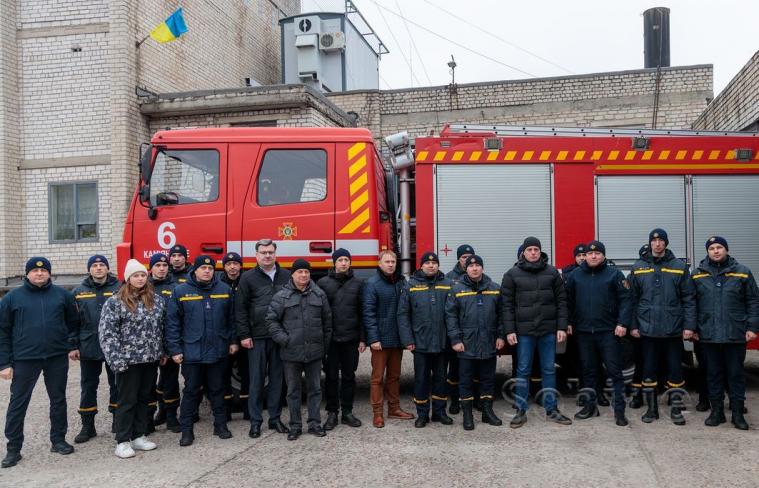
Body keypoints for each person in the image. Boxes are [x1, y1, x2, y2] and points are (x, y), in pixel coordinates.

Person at [0, 258, 79, 468]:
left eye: (43, 271)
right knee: (18, 403)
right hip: (24, 359)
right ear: (27, 274)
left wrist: (70, 345)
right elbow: (3, 331)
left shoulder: (62, 295)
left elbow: (73, 323)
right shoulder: (11, 298)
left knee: (58, 400)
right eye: (34, 270)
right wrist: (4, 363)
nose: (39, 274)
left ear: (49, 274)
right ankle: (13, 449)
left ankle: (59, 440)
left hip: (55, 357)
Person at [166, 255, 237, 446]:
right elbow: (172, 324)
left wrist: (232, 341)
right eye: (203, 268)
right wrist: (175, 349)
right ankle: (187, 431)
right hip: (192, 353)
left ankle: (220, 426)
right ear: (194, 270)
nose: (207, 271)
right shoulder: (180, 291)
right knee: (191, 392)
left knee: (218, 390)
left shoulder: (224, 290)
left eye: (211, 268)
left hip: (218, 351)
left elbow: (232, 319)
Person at [502, 237, 572, 428]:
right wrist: (509, 330)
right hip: (524, 332)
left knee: (549, 369)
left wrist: (561, 327)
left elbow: (562, 302)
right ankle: (520, 410)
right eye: (529, 249)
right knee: (523, 370)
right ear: (523, 252)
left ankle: (552, 409)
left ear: (540, 252)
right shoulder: (512, 274)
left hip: (548, 331)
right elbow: (506, 306)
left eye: (536, 249)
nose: (533, 252)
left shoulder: (552, 273)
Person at [99, 259, 165, 459]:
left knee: (144, 398)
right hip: (127, 361)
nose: (140, 278)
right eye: (136, 275)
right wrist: (116, 359)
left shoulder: (155, 299)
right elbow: (107, 333)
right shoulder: (115, 302)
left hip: (150, 359)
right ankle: (122, 440)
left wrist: (162, 351)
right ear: (128, 278)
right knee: (127, 401)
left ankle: (138, 435)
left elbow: (160, 328)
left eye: (143, 275)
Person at [629, 228, 695, 426]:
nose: (657, 244)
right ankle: (652, 409)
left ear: (666, 243)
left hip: (672, 329)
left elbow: (689, 299)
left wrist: (689, 325)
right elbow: (631, 300)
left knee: (675, 370)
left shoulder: (679, 266)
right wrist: (633, 325)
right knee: (648, 370)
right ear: (650, 243)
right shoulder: (639, 267)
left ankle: (676, 409)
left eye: (661, 240)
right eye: (654, 240)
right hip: (647, 329)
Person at [692, 236, 759, 430]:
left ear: (726, 250)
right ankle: (717, 412)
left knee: (736, 374)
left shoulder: (743, 272)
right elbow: (691, 303)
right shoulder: (697, 274)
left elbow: (753, 302)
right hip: (708, 335)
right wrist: (693, 328)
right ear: (707, 251)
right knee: (713, 374)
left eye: (719, 247)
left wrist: (753, 328)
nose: (716, 250)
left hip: (735, 334)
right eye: (711, 248)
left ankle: (738, 414)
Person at [565, 241, 632, 426]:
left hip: (608, 332)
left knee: (614, 372)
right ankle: (590, 407)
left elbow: (626, 300)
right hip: (584, 333)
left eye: (597, 253)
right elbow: (567, 301)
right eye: (590, 253)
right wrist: (568, 322)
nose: (593, 256)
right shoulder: (575, 275)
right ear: (584, 256)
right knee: (588, 372)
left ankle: (619, 411)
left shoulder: (614, 274)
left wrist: (622, 323)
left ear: (603, 256)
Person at [267, 259, 332, 440]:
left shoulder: (319, 295)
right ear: (292, 274)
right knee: (293, 391)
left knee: (315, 390)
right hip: (291, 352)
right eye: (300, 272)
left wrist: (323, 346)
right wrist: (284, 340)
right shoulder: (282, 296)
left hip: (314, 352)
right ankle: (295, 426)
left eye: (306, 272)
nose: (303, 275)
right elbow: (271, 321)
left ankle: (314, 424)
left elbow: (327, 323)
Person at [236, 239, 291, 439]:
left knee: (278, 380)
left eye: (270, 252)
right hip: (256, 337)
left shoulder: (286, 275)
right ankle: (256, 422)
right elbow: (240, 309)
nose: (267, 255)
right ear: (256, 255)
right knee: (256, 381)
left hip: (279, 336)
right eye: (263, 252)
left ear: (275, 254)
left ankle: (275, 418)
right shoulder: (247, 278)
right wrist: (244, 335)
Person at [445, 255, 505, 430]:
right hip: (466, 344)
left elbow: (502, 316)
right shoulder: (457, 289)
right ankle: (468, 415)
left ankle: (487, 412)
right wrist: (455, 339)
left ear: (483, 268)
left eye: (478, 265)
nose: (475, 268)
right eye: (471, 266)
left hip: (489, 343)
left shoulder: (495, 289)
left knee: (487, 380)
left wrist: (501, 336)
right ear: (466, 269)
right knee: (465, 381)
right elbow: (450, 317)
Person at [399, 252, 455, 428]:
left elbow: (454, 314)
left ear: (438, 265)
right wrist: (408, 339)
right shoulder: (411, 285)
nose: (431, 266)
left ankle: (439, 412)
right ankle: (422, 414)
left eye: (434, 263)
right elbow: (403, 315)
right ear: (421, 266)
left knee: (440, 378)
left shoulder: (448, 285)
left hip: (442, 342)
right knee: (421, 379)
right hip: (420, 343)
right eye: (427, 263)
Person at [71, 255, 121, 443]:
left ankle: (118, 421)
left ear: (108, 269)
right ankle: (88, 426)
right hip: (88, 346)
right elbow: (72, 322)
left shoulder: (120, 288)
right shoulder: (78, 291)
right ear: (89, 270)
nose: (99, 268)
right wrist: (73, 345)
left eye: (102, 265)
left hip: (114, 347)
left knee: (117, 385)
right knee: (88, 386)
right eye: (95, 265)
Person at [363, 250, 415, 428]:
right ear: (379, 264)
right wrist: (373, 339)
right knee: (377, 378)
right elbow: (368, 314)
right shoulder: (372, 284)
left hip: (397, 338)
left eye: (393, 261)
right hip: (380, 340)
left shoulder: (401, 282)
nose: (391, 264)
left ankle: (394, 409)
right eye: (387, 262)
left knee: (394, 377)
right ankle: (377, 413)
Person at [317, 248, 365, 430]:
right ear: (334, 262)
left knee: (348, 376)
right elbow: (319, 314)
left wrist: (362, 338)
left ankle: (347, 412)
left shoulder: (359, 284)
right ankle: (332, 413)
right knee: (330, 377)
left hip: (351, 339)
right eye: (340, 260)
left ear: (350, 262)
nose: (344, 263)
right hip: (331, 340)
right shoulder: (322, 283)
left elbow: (362, 312)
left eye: (347, 259)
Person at [148, 253, 180, 432]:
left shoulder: (175, 288)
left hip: (169, 344)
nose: (161, 268)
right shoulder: (142, 286)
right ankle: (150, 416)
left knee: (170, 381)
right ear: (151, 268)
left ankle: (171, 416)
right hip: (149, 346)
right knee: (149, 383)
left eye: (164, 265)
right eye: (157, 265)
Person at [444, 244, 475, 414]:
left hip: (473, 334)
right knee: (455, 369)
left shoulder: (477, 276)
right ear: (458, 258)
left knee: (473, 369)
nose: (467, 260)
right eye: (464, 257)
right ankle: (454, 401)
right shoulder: (450, 278)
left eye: (470, 257)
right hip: (457, 333)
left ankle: (474, 400)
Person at [218, 252, 249, 421]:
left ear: (240, 266)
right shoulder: (218, 283)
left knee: (247, 374)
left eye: (236, 264)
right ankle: (226, 410)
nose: (232, 267)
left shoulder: (247, 281)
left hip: (244, 334)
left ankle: (247, 410)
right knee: (224, 375)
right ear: (224, 267)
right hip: (226, 336)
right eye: (229, 264)